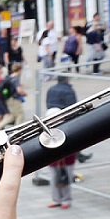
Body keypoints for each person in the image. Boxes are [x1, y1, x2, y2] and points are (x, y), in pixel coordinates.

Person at [45, 74, 78, 209]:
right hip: (55, 158)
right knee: (56, 179)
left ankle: (65, 199)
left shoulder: (50, 89)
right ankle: (58, 199)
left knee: (65, 178)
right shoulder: (70, 91)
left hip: (65, 158)